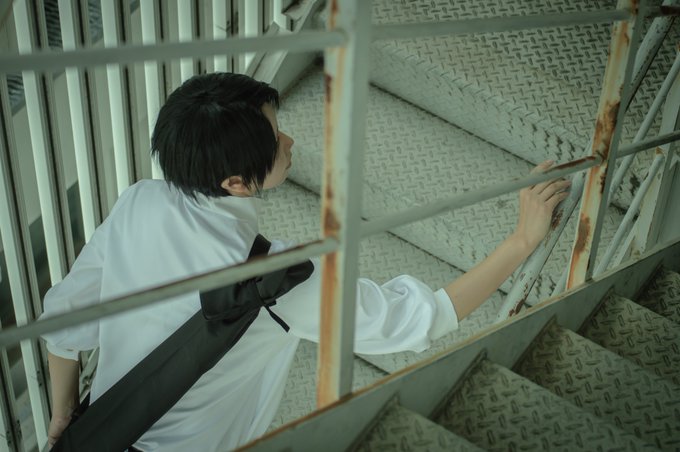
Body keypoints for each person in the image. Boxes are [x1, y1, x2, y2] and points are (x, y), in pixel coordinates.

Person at [41, 72, 570, 451]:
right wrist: (522, 241)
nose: (290, 141)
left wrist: (64, 419)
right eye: (276, 138)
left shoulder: (139, 203)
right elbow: (417, 321)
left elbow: (65, 319)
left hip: (102, 432)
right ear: (235, 182)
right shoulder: (274, 283)